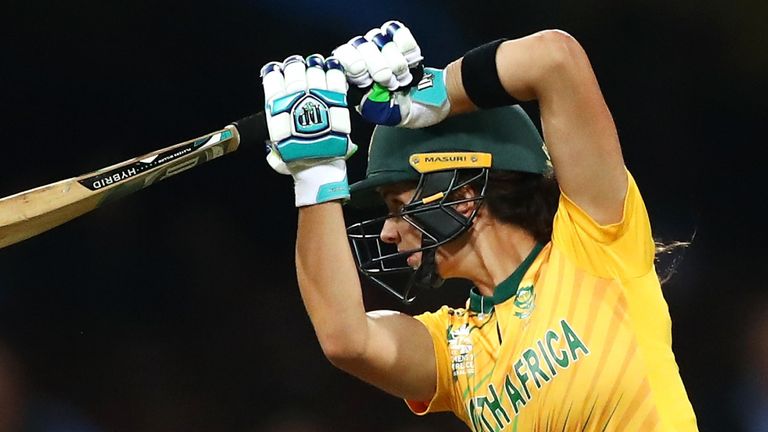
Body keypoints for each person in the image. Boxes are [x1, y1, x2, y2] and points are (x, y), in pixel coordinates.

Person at [261, 20, 698, 431]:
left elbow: (555, 60)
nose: (386, 232)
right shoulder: (456, 348)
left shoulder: (595, 242)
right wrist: (314, 176)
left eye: (398, 205)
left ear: (463, 196)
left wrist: (440, 92)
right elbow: (345, 339)